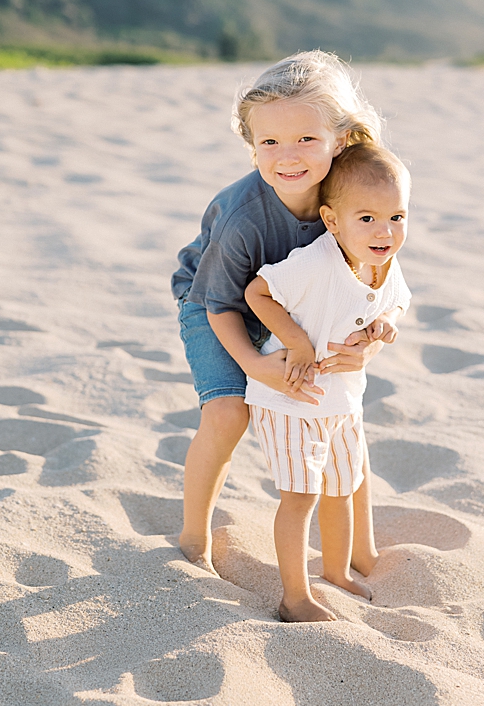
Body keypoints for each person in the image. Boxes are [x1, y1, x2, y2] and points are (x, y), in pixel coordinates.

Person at [171, 51, 396, 576]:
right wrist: (253, 364)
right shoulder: (244, 216)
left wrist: (371, 342)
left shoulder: (354, 194)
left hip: (293, 302)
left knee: (341, 414)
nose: (287, 156)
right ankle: (193, 535)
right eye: (269, 142)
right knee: (229, 414)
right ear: (252, 148)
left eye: (305, 140)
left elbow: (376, 279)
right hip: (215, 304)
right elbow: (223, 302)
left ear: (339, 140)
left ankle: (361, 549)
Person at [244, 141, 412, 622]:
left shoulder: (382, 260)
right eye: (367, 219)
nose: (384, 231)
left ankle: (336, 571)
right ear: (332, 220)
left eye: (397, 217)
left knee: (343, 488)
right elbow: (257, 292)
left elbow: (397, 300)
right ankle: (294, 597)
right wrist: (296, 343)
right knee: (302, 497)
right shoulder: (315, 263)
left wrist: (386, 325)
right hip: (292, 399)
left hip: (343, 403)